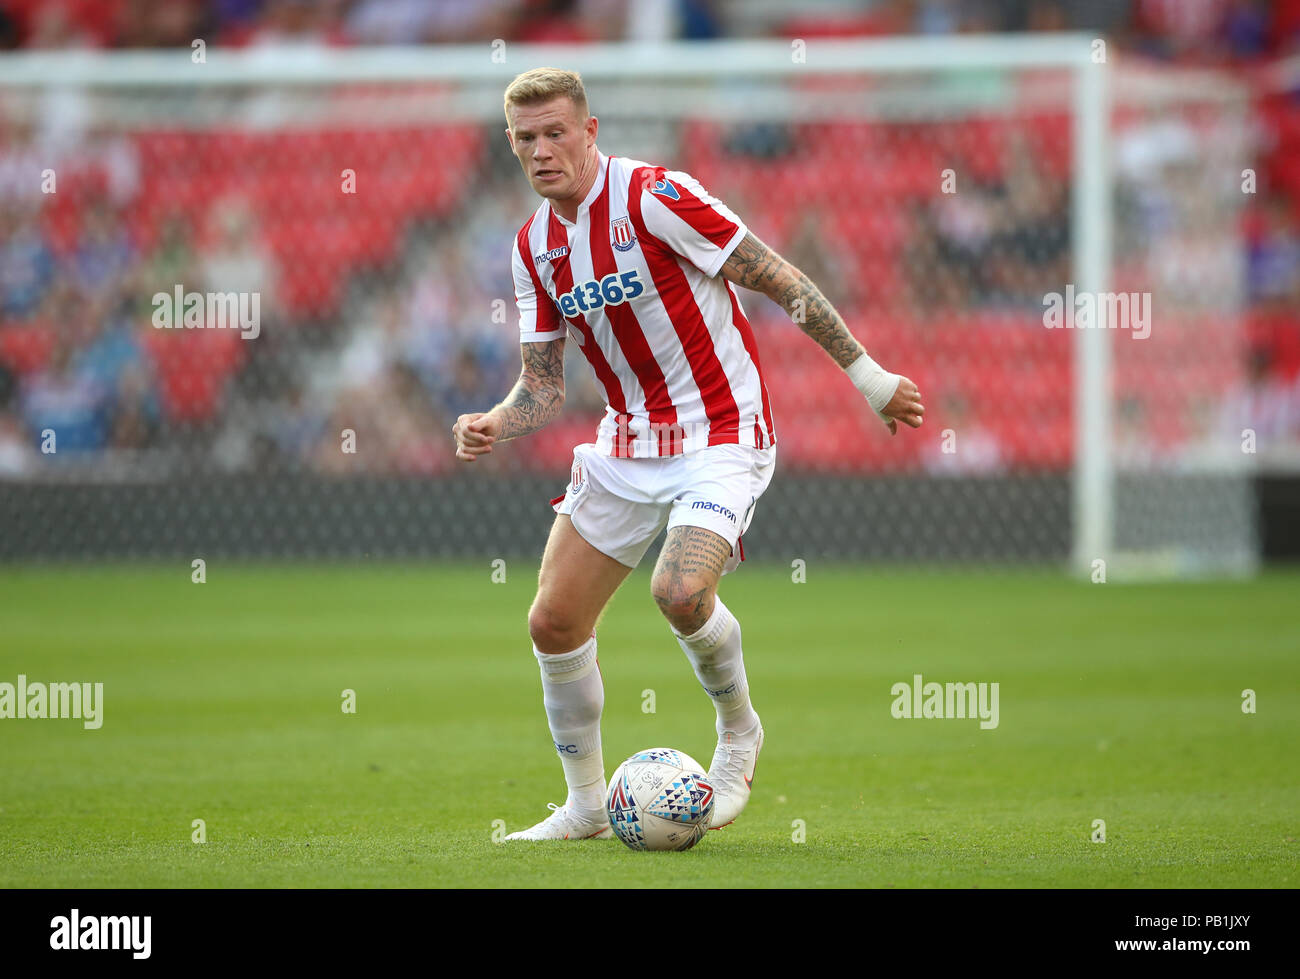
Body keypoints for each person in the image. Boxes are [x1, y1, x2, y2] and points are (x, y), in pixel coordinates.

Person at [453, 68, 924, 840]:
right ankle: (584, 806)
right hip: (628, 439)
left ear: (590, 130)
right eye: (525, 138)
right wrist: (495, 422)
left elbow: (776, 274)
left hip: (721, 429)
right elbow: (542, 385)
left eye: (555, 133)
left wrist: (869, 377)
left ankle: (739, 733)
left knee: (677, 589)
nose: (541, 151)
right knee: (552, 621)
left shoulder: (656, 196)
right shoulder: (533, 248)